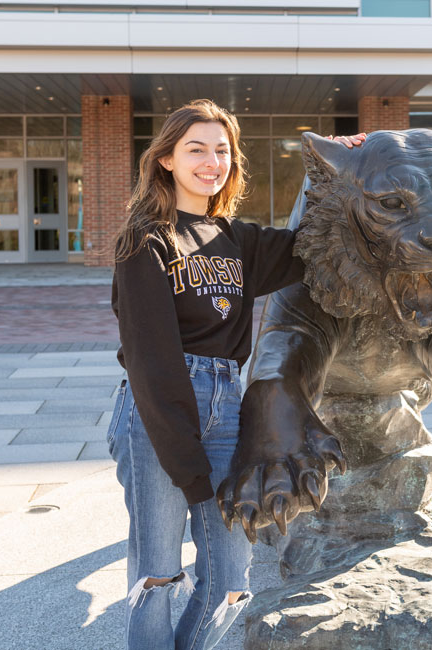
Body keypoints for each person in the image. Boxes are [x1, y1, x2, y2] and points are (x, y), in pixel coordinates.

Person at [107, 98, 360, 650]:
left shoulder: (237, 239)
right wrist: (189, 466)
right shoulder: (145, 241)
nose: (211, 161)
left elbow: (313, 247)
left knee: (229, 582)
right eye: (195, 149)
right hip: (159, 413)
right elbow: (152, 362)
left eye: (221, 150)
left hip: (226, 399)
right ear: (166, 159)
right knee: (158, 576)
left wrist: (345, 166)